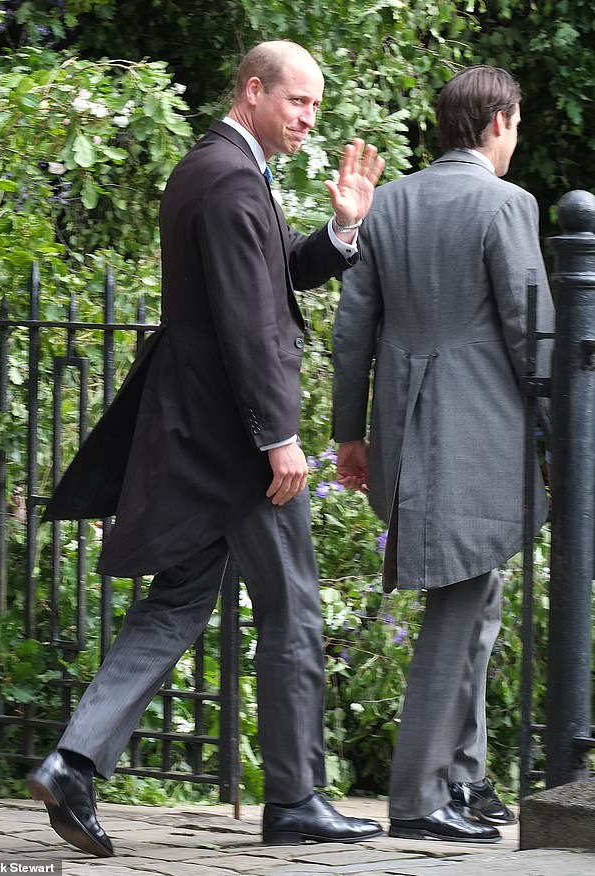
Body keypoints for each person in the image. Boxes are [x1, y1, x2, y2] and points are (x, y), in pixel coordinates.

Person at [26, 40, 385, 856]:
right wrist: (280, 439)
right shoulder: (227, 176)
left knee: (180, 600)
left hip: (205, 436)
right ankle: (295, 799)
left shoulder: (223, 167)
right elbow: (246, 323)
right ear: (253, 90)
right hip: (237, 451)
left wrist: (340, 229)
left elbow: (276, 273)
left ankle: (73, 761)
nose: (309, 120)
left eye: (317, 108)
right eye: (299, 102)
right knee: (293, 608)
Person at [332, 65, 554, 843]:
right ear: (498, 122)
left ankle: (465, 777)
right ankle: (419, 798)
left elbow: (352, 330)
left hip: (403, 427)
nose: (516, 138)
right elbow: (534, 332)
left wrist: (348, 434)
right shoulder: (507, 202)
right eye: (517, 124)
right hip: (473, 433)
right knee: (458, 606)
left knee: (478, 601)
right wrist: (563, 435)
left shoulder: (387, 205)